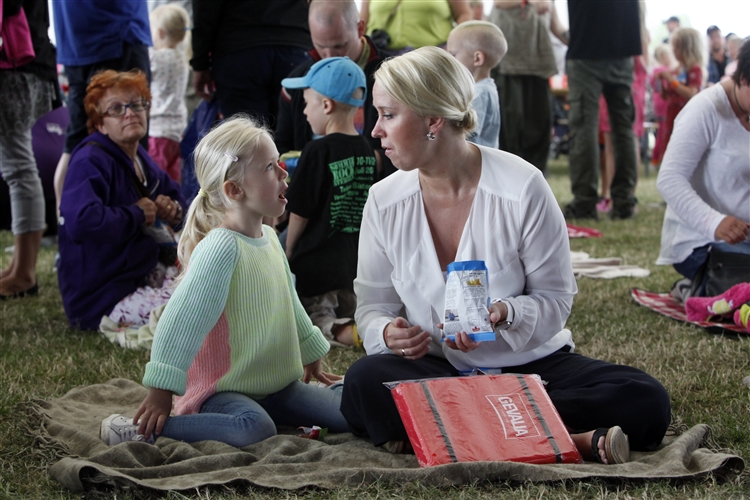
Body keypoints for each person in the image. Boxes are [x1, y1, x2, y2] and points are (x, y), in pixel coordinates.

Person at [340, 47, 671, 463]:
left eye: (388, 115)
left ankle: (453, 430)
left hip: (531, 368)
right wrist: (389, 334)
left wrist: (506, 313)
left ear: (433, 120)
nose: (375, 130)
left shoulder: (522, 186)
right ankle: (568, 436)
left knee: (645, 399)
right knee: (363, 382)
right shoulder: (383, 200)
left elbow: (555, 300)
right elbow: (372, 308)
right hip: (437, 368)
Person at [99, 116, 348, 447]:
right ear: (234, 190)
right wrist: (161, 391)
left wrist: (310, 350)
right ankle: (146, 431)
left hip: (276, 385)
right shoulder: (220, 248)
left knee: (347, 413)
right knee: (254, 429)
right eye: (271, 167)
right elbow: (181, 321)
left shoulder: (272, 239)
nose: (284, 173)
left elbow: (288, 303)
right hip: (223, 389)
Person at [57, 70, 186, 330]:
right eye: (116, 109)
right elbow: (81, 221)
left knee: (209, 284)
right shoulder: (89, 161)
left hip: (137, 275)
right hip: (102, 297)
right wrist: (136, 214)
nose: (130, 113)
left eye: (137, 104)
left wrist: (174, 211)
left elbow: (176, 197)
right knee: (194, 304)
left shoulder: (138, 156)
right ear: (100, 124)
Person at [281, 57, 377, 347]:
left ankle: (347, 333)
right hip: (351, 264)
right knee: (346, 305)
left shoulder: (316, 150)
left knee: (314, 318)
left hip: (317, 263)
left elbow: (299, 210)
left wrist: (288, 250)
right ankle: (356, 321)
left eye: (307, 103)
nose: (305, 112)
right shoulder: (366, 151)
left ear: (326, 106)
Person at [656, 38, 750, 299]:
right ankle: (700, 288)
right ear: (742, 78)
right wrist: (714, 222)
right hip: (702, 243)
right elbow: (669, 179)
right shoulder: (705, 108)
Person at [51, 0, 152, 211]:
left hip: (75, 36)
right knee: (130, 134)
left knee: (77, 139)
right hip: (114, 30)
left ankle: (67, 223)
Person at [275, 0, 393, 178]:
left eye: (339, 45)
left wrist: (375, 161)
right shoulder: (296, 84)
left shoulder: (393, 76)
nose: (329, 57)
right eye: (320, 46)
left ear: (360, 28)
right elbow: (281, 145)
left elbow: (414, 144)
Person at [0, 0, 61, 298]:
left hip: (14, 62)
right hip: (23, 59)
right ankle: (18, 269)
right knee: (18, 166)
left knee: (18, 167)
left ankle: (23, 273)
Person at [563, 0, 642, 220]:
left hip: (585, 45)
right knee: (623, 128)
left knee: (584, 129)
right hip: (623, 43)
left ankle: (585, 203)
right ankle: (624, 202)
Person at [191, 0, 312, 123]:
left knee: (246, 135)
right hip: (296, 45)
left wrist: (200, 63)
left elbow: (204, 8)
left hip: (239, 49)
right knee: (293, 133)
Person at [489, 0, 567, 175]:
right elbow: (499, 3)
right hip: (507, 66)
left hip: (538, 65)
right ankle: (507, 179)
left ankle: (536, 178)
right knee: (510, 128)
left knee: (540, 125)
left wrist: (578, 41)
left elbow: (556, 25)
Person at [446, 20, 507, 148]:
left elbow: (466, 133)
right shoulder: (483, 88)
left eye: (453, 54)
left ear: (477, 58)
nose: (449, 60)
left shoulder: (479, 93)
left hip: (475, 163)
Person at [147, 3, 190, 183]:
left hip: (158, 129)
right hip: (178, 129)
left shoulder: (156, 58)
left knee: (155, 180)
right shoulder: (183, 58)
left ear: (160, 33)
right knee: (173, 179)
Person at [652, 28, 704, 166]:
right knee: (670, 151)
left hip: (687, 115)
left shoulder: (695, 70)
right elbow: (666, 96)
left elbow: (691, 93)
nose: (673, 50)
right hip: (671, 114)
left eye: (676, 47)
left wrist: (671, 81)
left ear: (686, 47)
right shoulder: (676, 70)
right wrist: (662, 85)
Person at [359, 0, 471, 53]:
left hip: (434, 55)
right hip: (383, 55)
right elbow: (362, 22)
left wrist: (454, 45)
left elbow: (463, 14)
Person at [649, 44, 676, 170]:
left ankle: (656, 159)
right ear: (664, 56)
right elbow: (667, 88)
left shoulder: (654, 70)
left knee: (660, 132)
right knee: (664, 133)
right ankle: (660, 159)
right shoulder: (664, 71)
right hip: (664, 103)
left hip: (657, 103)